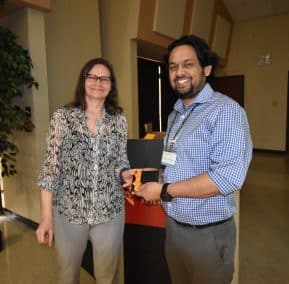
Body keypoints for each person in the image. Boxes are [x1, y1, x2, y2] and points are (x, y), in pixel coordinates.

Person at [134, 35, 253, 284]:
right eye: (173, 66)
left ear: (206, 69)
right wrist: (153, 175)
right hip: (175, 229)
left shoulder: (225, 111)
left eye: (188, 64)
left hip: (207, 235)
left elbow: (227, 178)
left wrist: (164, 189)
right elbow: (177, 164)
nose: (179, 72)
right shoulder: (176, 114)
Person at [35, 58, 133, 284]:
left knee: (107, 277)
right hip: (69, 212)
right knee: (67, 275)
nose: (98, 82)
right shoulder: (63, 117)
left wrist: (124, 174)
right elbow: (50, 169)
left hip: (109, 210)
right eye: (92, 77)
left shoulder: (118, 120)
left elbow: (120, 161)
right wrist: (46, 218)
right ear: (83, 81)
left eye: (104, 78)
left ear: (111, 85)